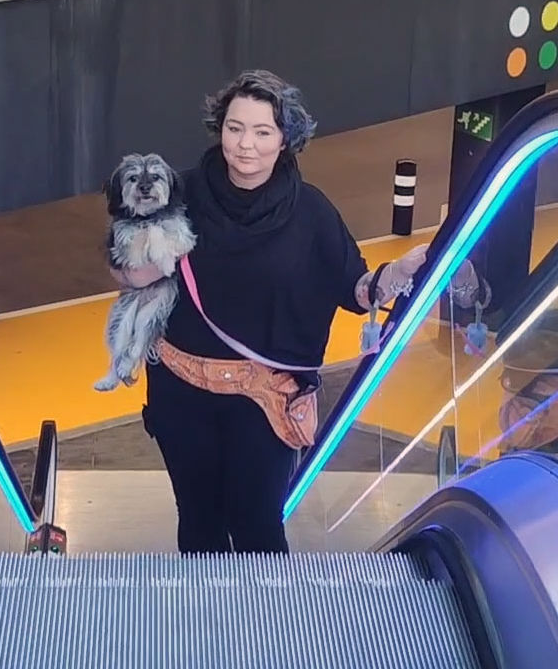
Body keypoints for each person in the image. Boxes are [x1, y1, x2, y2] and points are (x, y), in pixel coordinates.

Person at [110, 70, 426, 553]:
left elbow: (355, 289)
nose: (245, 145)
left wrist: (397, 274)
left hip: (265, 400)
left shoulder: (311, 213)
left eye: (263, 132)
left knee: (258, 525)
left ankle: (264, 627)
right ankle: (206, 624)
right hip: (182, 392)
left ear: (286, 140)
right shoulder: (181, 192)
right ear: (220, 128)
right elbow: (121, 262)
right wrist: (142, 271)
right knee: (198, 523)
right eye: (235, 128)